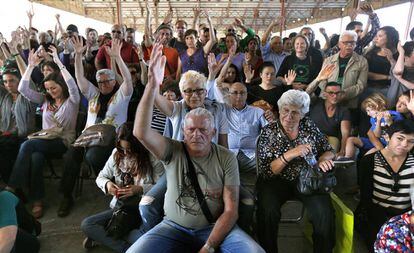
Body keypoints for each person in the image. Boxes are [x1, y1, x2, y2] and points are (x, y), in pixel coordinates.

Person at [128, 42, 264, 253]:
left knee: (245, 203)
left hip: (216, 169)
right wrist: (152, 84)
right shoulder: (177, 112)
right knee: (146, 204)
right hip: (176, 168)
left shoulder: (217, 110)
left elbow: (225, 146)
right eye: (188, 91)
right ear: (183, 131)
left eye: (199, 90)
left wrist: (224, 164)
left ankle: (237, 233)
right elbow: (141, 131)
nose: (194, 95)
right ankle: (151, 235)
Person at [58, 36, 133, 217]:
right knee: (70, 156)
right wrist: (77, 56)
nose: (104, 84)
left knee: (92, 156)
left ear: (114, 81)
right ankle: (66, 197)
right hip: (87, 138)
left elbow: (128, 80)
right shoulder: (93, 94)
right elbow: (79, 77)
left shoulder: (122, 96)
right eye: (100, 82)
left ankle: (112, 184)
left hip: (111, 140)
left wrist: (117, 58)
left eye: (108, 81)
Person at [256, 89, 336, 253]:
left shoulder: (309, 126)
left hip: (307, 179)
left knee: (324, 213)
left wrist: (323, 159)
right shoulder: (269, 131)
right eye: (285, 110)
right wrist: (291, 154)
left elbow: (329, 149)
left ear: (303, 114)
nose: (289, 116)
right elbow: (267, 171)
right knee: (267, 212)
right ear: (279, 109)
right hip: (275, 181)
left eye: (295, 112)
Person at [8, 46, 80, 219]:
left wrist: (59, 63)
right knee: (36, 157)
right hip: (45, 140)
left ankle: (11, 188)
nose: (50, 92)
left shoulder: (72, 101)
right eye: (47, 89)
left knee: (27, 144)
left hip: (63, 142)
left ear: (61, 86)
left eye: (53, 88)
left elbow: (72, 85)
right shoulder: (45, 100)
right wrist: (30, 66)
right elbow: (23, 89)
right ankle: (37, 200)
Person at [81, 122, 164, 252]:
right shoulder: (117, 154)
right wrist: (108, 185)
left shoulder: (152, 157)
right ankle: (124, 247)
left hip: (142, 211)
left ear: (139, 146)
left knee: (143, 238)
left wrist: (140, 189)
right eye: (122, 149)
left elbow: (162, 186)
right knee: (87, 224)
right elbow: (101, 177)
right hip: (121, 209)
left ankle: (108, 234)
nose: (125, 153)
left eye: (129, 149)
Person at [358, 120, 414, 251]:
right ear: (387, 137)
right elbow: (365, 196)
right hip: (376, 216)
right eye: (400, 138)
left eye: (411, 141)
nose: (404, 144)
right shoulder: (369, 161)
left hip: (405, 220)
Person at [306, 31, 368, 125]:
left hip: (349, 103)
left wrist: (342, 94)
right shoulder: (329, 60)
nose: (349, 45)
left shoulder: (362, 61)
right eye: (345, 43)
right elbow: (322, 80)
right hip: (326, 101)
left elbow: (361, 85)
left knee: (345, 130)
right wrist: (331, 94)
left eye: (352, 43)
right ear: (339, 44)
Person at [342, 93, 404, 161]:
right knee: (350, 139)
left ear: (377, 106)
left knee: (365, 158)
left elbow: (399, 133)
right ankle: (347, 159)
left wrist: (389, 122)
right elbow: (377, 135)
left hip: (387, 144)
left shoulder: (395, 115)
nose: (368, 114)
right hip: (376, 141)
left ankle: (363, 163)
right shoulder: (373, 119)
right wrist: (378, 121)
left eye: (369, 110)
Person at [0, 68, 36, 182]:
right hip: (6, 135)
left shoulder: (28, 96)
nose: (8, 84)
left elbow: (28, 81)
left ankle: (11, 187)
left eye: (12, 81)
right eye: (5, 81)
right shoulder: (5, 97)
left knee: (4, 148)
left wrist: (17, 54)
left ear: (19, 81)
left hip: (23, 136)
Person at [309, 82, 351, 156]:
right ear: (325, 94)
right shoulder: (316, 102)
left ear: (341, 94)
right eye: (331, 93)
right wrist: (318, 79)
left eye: (337, 93)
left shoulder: (344, 111)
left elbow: (345, 133)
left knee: (330, 154)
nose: (334, 96)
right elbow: (307, 93)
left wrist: (342, 150)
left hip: (330, 139)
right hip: (311, 136)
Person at [176, 11, 216, 78]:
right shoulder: (181, 55)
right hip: (185, 86)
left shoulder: (202, 51)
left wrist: (209, 22)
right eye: (187, 38)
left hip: (200, 85)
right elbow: (178, 73)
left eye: (191, 38)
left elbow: (212, 40)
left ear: (197, 39)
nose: (189, 40)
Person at [388, 41, 414, 105]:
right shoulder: (397, 66)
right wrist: (401, 52)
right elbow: (398, 71)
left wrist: (400, 79)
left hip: (410, 106)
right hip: (393, 102)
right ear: (406, 56)